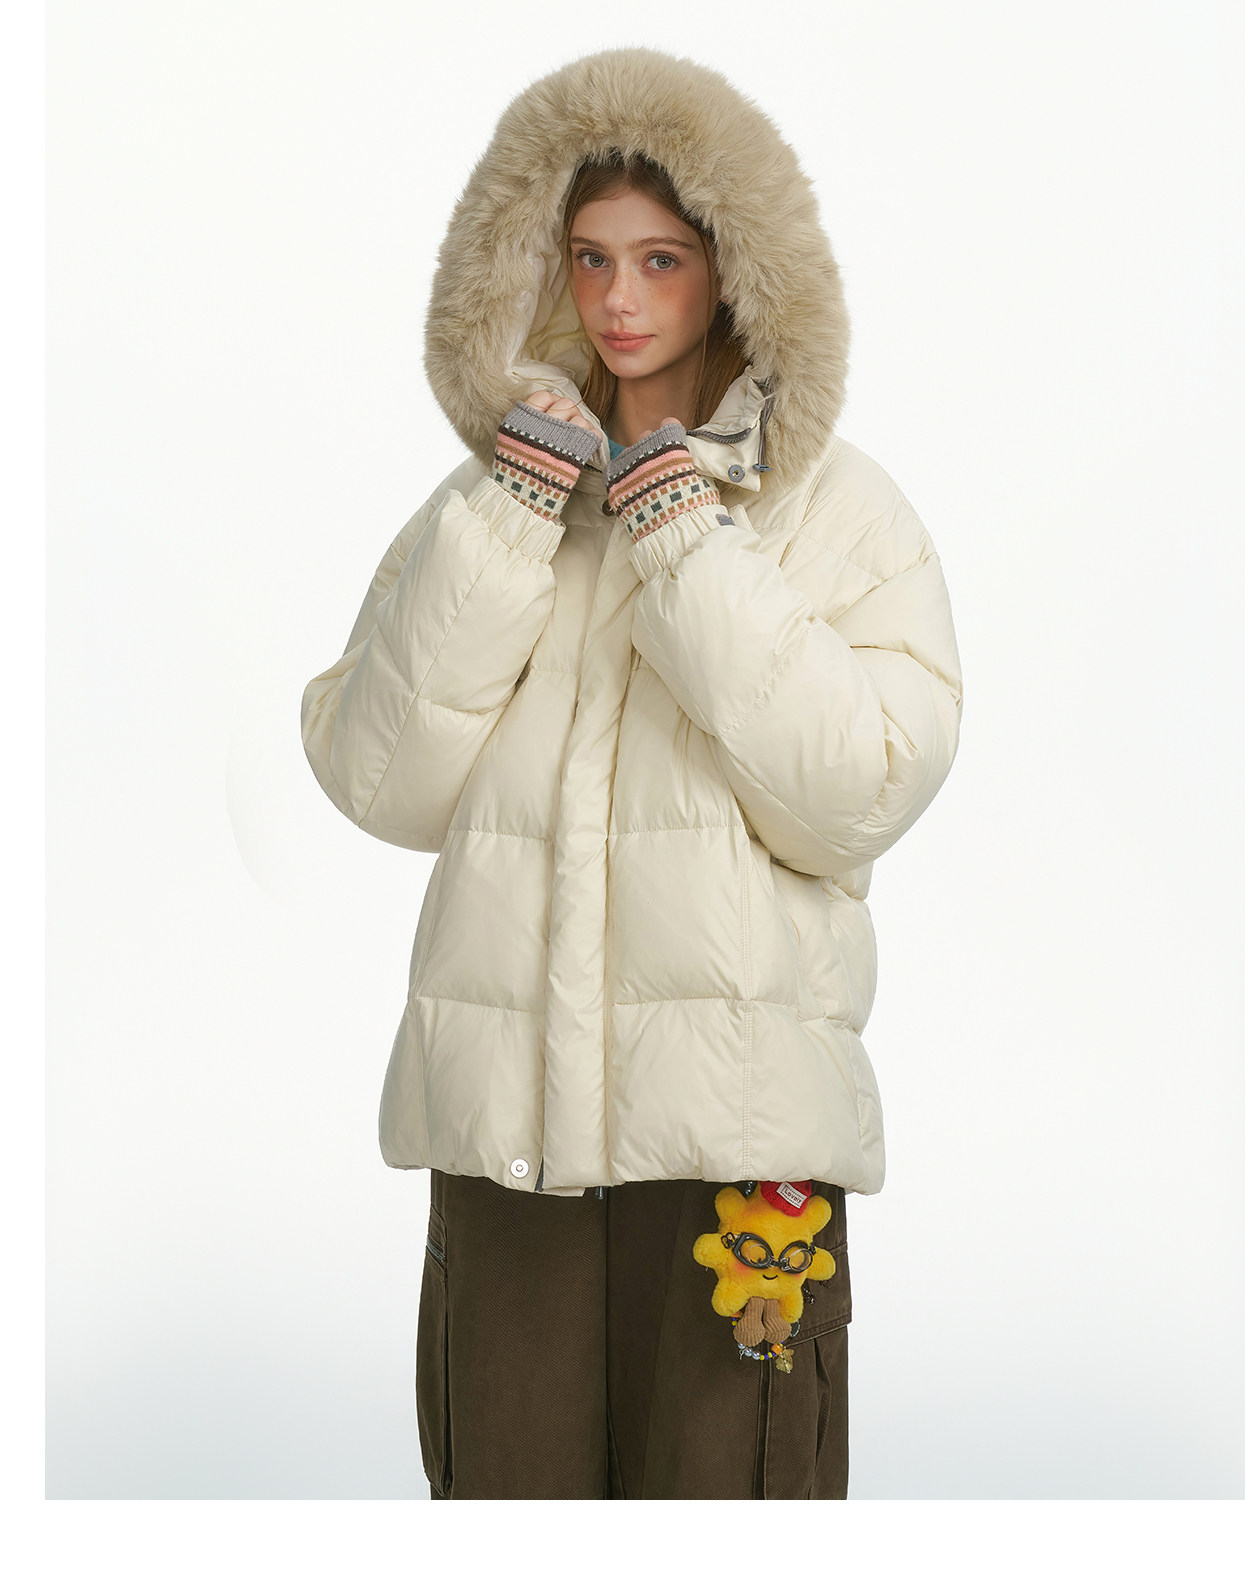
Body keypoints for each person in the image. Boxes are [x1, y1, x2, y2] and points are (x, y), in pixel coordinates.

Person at [300, 47, 963, 1500]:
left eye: (660, 259)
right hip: (510, 1136)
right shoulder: (487, 506)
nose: (618, 298)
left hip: (738, 1147)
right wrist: (509, 522)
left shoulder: (841, 515)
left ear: (731, 269)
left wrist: (686, 541)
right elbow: (377, 778)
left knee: (732, 1511)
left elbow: (860, 791)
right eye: (589, 257)